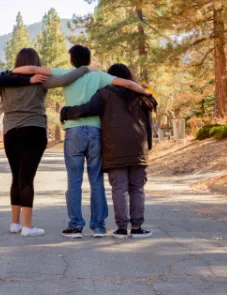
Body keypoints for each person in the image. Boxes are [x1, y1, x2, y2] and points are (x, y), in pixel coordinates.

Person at [13, 45, 150, 238]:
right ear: (88, 59)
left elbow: (32, 70)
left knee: (74, 181)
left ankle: (75, 226)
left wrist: (11, 71)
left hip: (73, 132)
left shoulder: (67, 74)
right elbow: (127, 84)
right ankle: (99, 226)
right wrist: (146, 93)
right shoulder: (100, 76)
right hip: (95, 132)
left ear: (72, 61)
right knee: (96, 180)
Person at [0, 48, 91, 237]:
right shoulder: (40, 79)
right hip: (34, 130)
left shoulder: (6, 81)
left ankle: (15, 223)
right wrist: (84, 69)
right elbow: (65, 79)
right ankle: (28, 226)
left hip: (11, 133)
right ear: (35, 62)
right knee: (27, 178)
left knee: (16, 176)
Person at [60, 63, 157, 239]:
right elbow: (148, 124)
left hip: (114, 149)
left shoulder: (105, 94)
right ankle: (136, 228)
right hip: (138, 148)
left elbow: (86, 109)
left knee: (119, 188)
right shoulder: (141, 95)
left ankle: (121, 229)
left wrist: (66, 112)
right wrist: (147, 146)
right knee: (137, 188)